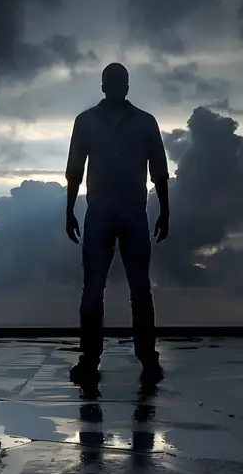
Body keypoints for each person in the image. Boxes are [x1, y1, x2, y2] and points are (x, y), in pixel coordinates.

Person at [65, 62, 170, 385]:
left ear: (126, 86)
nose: (115, 86)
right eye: (110, 81)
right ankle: (89, 358)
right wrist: (69, 210)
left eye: (119, 81)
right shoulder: (85, 122)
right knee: (93, 290)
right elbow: (74, 169)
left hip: (134, 215)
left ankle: (148, 358)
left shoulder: (145, 122)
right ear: (103, 86)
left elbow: (159, 170)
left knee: (140, 290)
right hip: (99, 214)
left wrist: (165, 210)